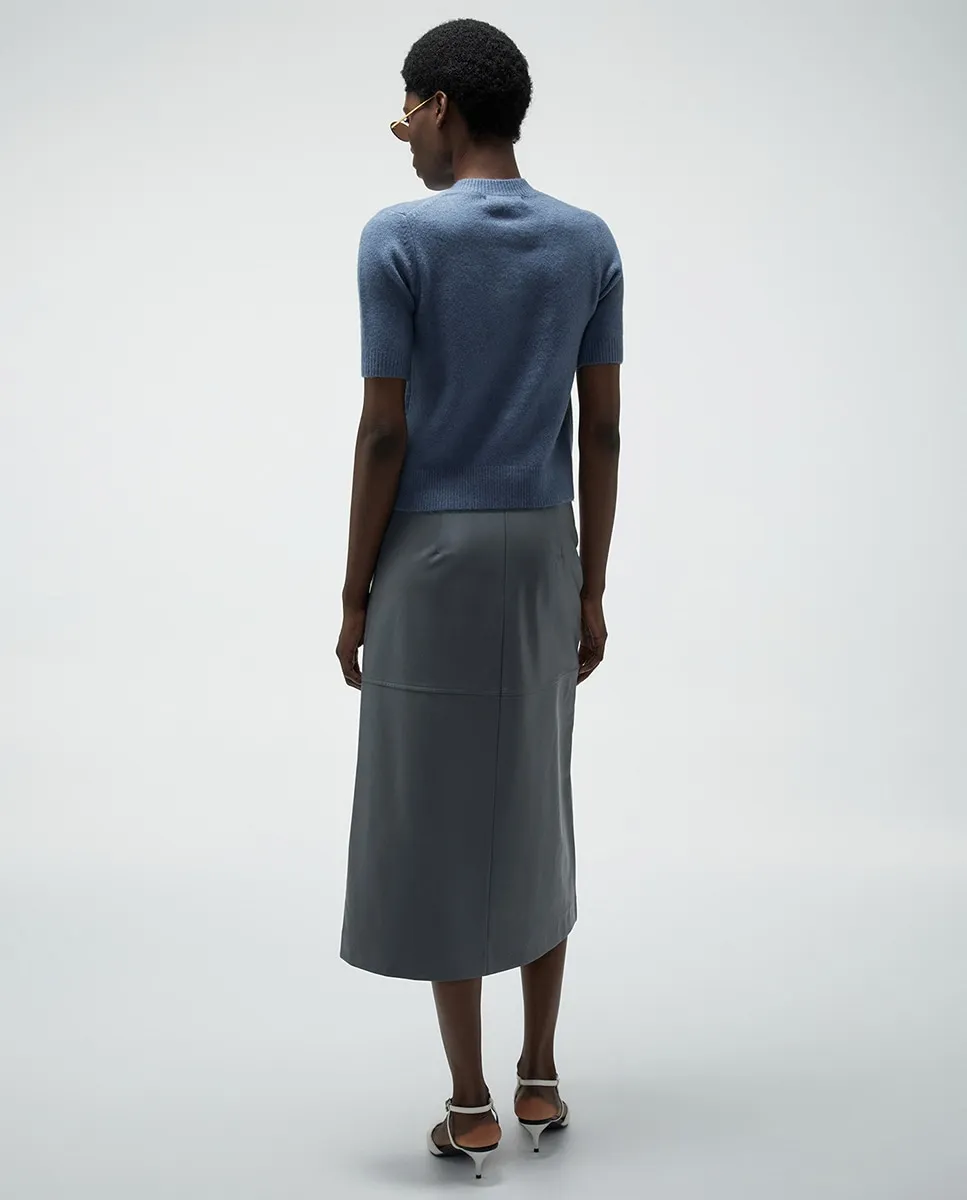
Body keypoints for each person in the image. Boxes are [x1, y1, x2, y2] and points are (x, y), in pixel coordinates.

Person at [335, 17, 623, 1181]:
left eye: (407, 109)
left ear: (440, 106)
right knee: (535, 800)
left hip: (433, 552)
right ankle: (539, 1072)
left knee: (444, 815)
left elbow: (383, 431)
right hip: (543, 544)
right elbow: (601, 429)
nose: (402, 132)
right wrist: (591, 585)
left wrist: (353, 590)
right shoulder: (586, 240)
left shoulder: (398, 237)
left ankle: (468, 1104)